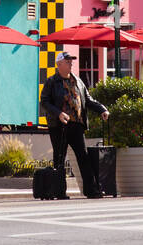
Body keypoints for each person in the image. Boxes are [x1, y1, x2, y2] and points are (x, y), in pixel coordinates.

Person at [40, 52, 110, 198]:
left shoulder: (78, 81)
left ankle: (91, 191)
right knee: (59, 158)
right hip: (59, 126)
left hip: (76, 125)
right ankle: (59, 192)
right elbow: (44, 102)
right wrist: (58, 113)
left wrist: (102, 109)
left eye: (71, 61)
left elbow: (88, 100)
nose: (70, 63)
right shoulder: (52, 82)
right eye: (67, 61)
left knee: (83, 157)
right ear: (59, 65)